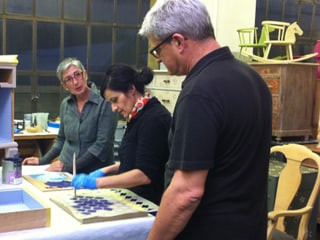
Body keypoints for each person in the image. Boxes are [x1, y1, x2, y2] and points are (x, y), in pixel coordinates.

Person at [138, 0, 273, 239]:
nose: (158, 59)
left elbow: (186, 193)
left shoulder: (200, 92)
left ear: (178, 41)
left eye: (157, 50)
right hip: (250, 229)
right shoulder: (252, 78)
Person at [71, 63, 172, 205]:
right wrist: (105, 170)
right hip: (134, 197)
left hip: (150, 203)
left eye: (115, 100)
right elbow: (133, 160)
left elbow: (144, 174)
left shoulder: (153, 119)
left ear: (131, 90)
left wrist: (98, 182)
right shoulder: (136, 116)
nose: (113, 109)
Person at [22, 57, 118, 174]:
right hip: (66, 172)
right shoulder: (65, 105)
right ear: (64, 85)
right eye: (68, 79)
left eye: (77, 74)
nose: (75, 82)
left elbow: (102, 145)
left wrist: (70, 167)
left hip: (95, 173)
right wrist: (42, 161)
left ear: (85, 74)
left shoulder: (105, 102)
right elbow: (61, 139)